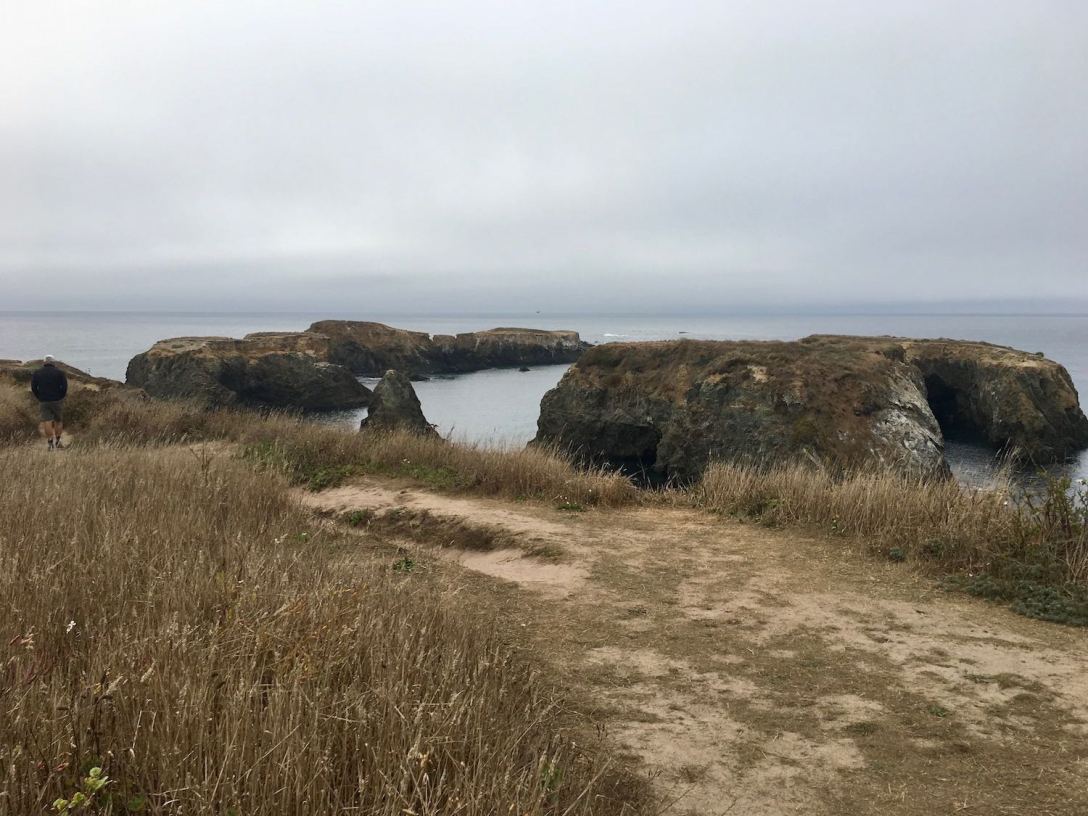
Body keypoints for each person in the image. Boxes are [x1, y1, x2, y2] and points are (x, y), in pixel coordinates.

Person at [31, 355, 68, 450]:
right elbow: (64, 387)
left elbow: (34, 387)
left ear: (44, 362)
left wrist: (39, 397)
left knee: (47, 421)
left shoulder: (37, 373)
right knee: (58, 421)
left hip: (44, 400)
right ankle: (58, 442)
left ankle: (50, 443)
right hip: (57, 400)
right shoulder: (59, 373)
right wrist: (61, 397)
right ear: (53, 362)